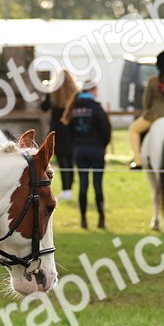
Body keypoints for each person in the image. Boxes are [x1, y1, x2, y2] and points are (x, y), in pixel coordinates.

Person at [64, 78, 111, 229]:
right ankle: (101, 218)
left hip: (80, 150)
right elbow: (106, 129)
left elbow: (69, 131)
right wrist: (102, 145)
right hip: (96, 150)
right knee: (98, 185)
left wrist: (77, 144)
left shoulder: (74, 108)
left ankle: (83, 219)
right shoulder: (96, 108)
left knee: (83, 185)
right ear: (92, 91)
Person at [39, 68, 78, 200]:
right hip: (72, 130)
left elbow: (43, 107)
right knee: (70, 161)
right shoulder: (75, 93)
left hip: (57, 132)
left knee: (62, 161)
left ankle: (66, 189)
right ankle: (69, 188)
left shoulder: (53, 92)